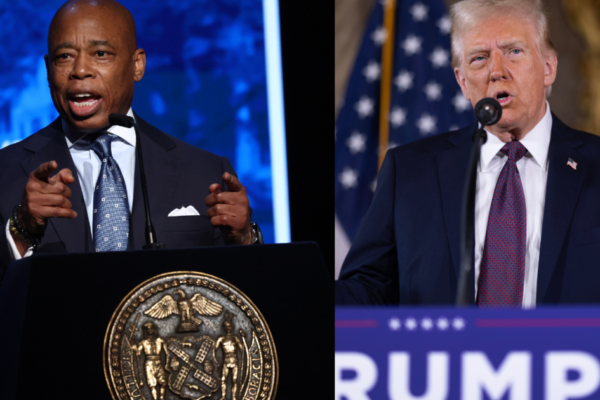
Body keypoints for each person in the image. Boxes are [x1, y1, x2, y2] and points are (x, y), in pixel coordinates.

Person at [335, 0, 600, 307]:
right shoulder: (408, 172)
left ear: (548, 68)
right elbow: (368, 288)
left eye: (514, 51)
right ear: (462, 82)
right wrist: (299, 289)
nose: (496, 71)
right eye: (479, 58)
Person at [0, 0, 261, 280]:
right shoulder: (6, 172)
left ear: (137, 65)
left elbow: (246, 296)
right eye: (64, 57)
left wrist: (244, 238)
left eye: (100, 53)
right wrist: (22, 231)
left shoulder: (204, 172)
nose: (79, 70)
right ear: (48, 69)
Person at [135, 322, 168, 400]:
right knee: (152, 384)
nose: (150, 330)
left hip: (158, 362)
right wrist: (134, 348)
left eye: (151, 328)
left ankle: (162, 398)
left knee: (163, 382)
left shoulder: (160, 341)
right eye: (148, 329)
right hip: (149, 363)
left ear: (154, 329)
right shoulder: (143, 342)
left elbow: (167, 353)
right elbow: (138, 353)